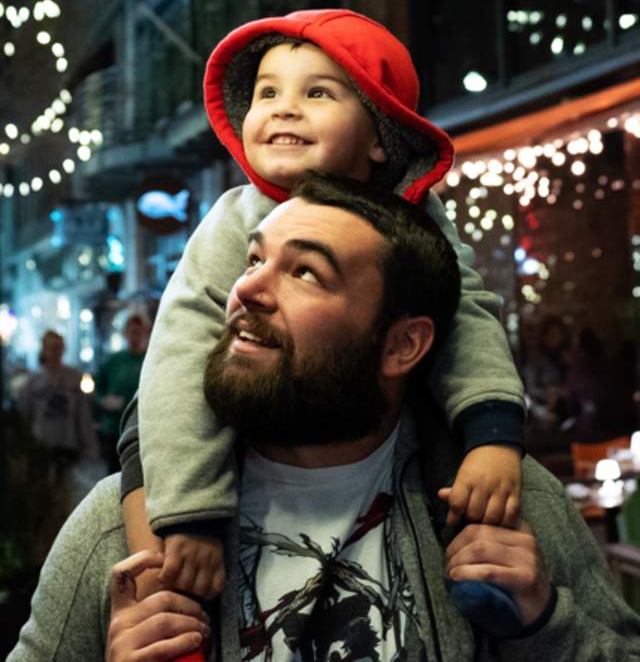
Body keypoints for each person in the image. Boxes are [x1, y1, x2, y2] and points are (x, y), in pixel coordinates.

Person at [7, 176, 640, 662]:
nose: (246, 290)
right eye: (253, 261)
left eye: (305, 272)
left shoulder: (509, 501)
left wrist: (542, 620)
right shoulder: (129, 525)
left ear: (402, 346)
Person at [120, 9, 526, 632]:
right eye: (267, 92)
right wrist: (192, 518)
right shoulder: (236, 216)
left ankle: (475, 589)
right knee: (150, 455)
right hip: (199, 412)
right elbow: (180, 350)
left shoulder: (414, 218)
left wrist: (493, 433)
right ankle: (174, 612)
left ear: (380, 136)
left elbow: (466, 313)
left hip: (387, 433)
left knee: (463, 477)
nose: (284, 108)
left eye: (317, 92)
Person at [16, 329, 99, 561]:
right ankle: (39, 554)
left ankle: (62, 554)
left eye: (59, 347)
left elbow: (83, 414)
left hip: (67, 447)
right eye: (51, 347)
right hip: (42, 449)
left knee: (66, 502)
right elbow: (24, 418)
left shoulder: (74, 377)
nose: (55, 352)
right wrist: (25, 452)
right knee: (41, 502)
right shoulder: (33, 381)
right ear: (44, 349)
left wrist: (88, 446)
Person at [95, 312, 150, 473]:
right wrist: (104, 401)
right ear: (126, 333)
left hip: (142, 429)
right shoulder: (114, 361)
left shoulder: (150, 360)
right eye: (132, 331)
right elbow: (96, 389)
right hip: (114, 428)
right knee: (113, 475)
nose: (135, 336)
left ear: (146, 332)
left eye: (139, 332)